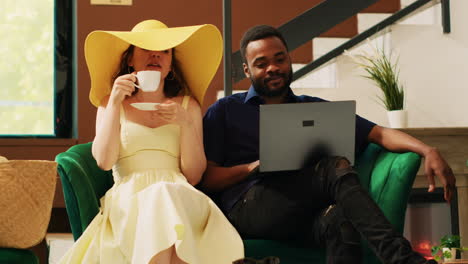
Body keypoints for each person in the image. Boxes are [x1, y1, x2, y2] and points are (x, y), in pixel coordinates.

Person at [202, 25, 456, 264]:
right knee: (333, 167)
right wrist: (252, 167)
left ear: (289, 60)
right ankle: (400, 258)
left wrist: (428, 150)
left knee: (339, 219)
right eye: (261, 63)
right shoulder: (225, 110)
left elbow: (379, 133)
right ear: (247, 70)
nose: (272, 68)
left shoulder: (313, 108)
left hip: (299, 212)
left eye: (279, 59)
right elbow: (206, 178)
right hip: (247, 209)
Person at [59, 20, 244, 264]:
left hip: (181, 195)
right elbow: (104, 161)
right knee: (163, 209)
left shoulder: (187, 106)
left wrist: (186, 124)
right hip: (129, 198)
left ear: (170, 66)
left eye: (165, 50)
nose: (156, 54)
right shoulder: (110, 103)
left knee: (164, 193)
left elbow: (194, 175)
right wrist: (115, 101)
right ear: (130, 60)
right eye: (146, 48)